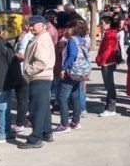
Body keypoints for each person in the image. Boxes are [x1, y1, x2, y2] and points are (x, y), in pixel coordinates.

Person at [18, 16, 56, 150]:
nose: (31, 27)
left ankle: (35, 138)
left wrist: (28, 71)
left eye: (34, 25)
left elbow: (41, 62)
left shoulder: (42, 39)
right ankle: (46, 133)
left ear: (43, 26)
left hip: (39, 77)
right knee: (43, 108)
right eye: (30, 24)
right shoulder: (41, 37)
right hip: (42, 77)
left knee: (36, 110)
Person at [55, 19, 87, 133]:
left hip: (70, 71)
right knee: (75, 96)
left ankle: (64, 124)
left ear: (73, 28)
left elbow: (72, 54)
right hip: (79, 72)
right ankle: (75, 121)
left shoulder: (72, 40)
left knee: (62, 97)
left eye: (68, 28)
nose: (66, 30)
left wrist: (64, 68)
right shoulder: (82, 40)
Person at [12, 17, 35, 134]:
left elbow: (22, 55)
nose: (21, 26)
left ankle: (20, 122)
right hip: (33, 71)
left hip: (22, 71)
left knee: (22, 98)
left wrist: (12, 53)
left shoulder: (26, 37)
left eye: (23, 24)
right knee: (30, 97)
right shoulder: (38, 36)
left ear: (28, 25)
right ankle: (29, 118)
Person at [95, 16, 120, 117]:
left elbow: (108, 51)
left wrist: (100, 60)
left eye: (102, 23)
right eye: (100, 23)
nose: (101, 25)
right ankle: (109, 106)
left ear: (108, 24)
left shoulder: (110, 35)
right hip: (108, 62)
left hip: (107, 63)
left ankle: (111, 108)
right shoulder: (109, 34)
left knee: (109, 86)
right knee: (109, 86)